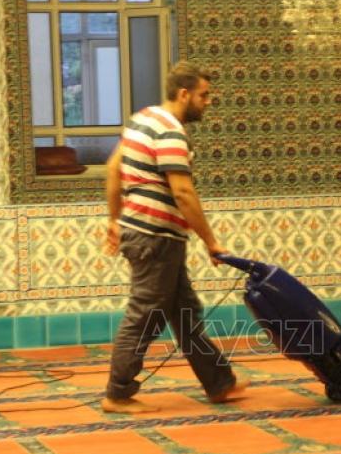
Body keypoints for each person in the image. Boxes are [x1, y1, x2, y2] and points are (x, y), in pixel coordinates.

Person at [102, 61, 249, 414]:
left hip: (150, 235)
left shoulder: (142, 119)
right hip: (155, 239)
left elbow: (112, 168)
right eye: (204, 95)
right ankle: (117, 393)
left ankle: (218, 383)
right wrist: (211, 241)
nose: (208, 102)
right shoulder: (171, 132)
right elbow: (182, 192)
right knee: (143, 316)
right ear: (184, 94)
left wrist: (113, 219)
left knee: (184, 314)